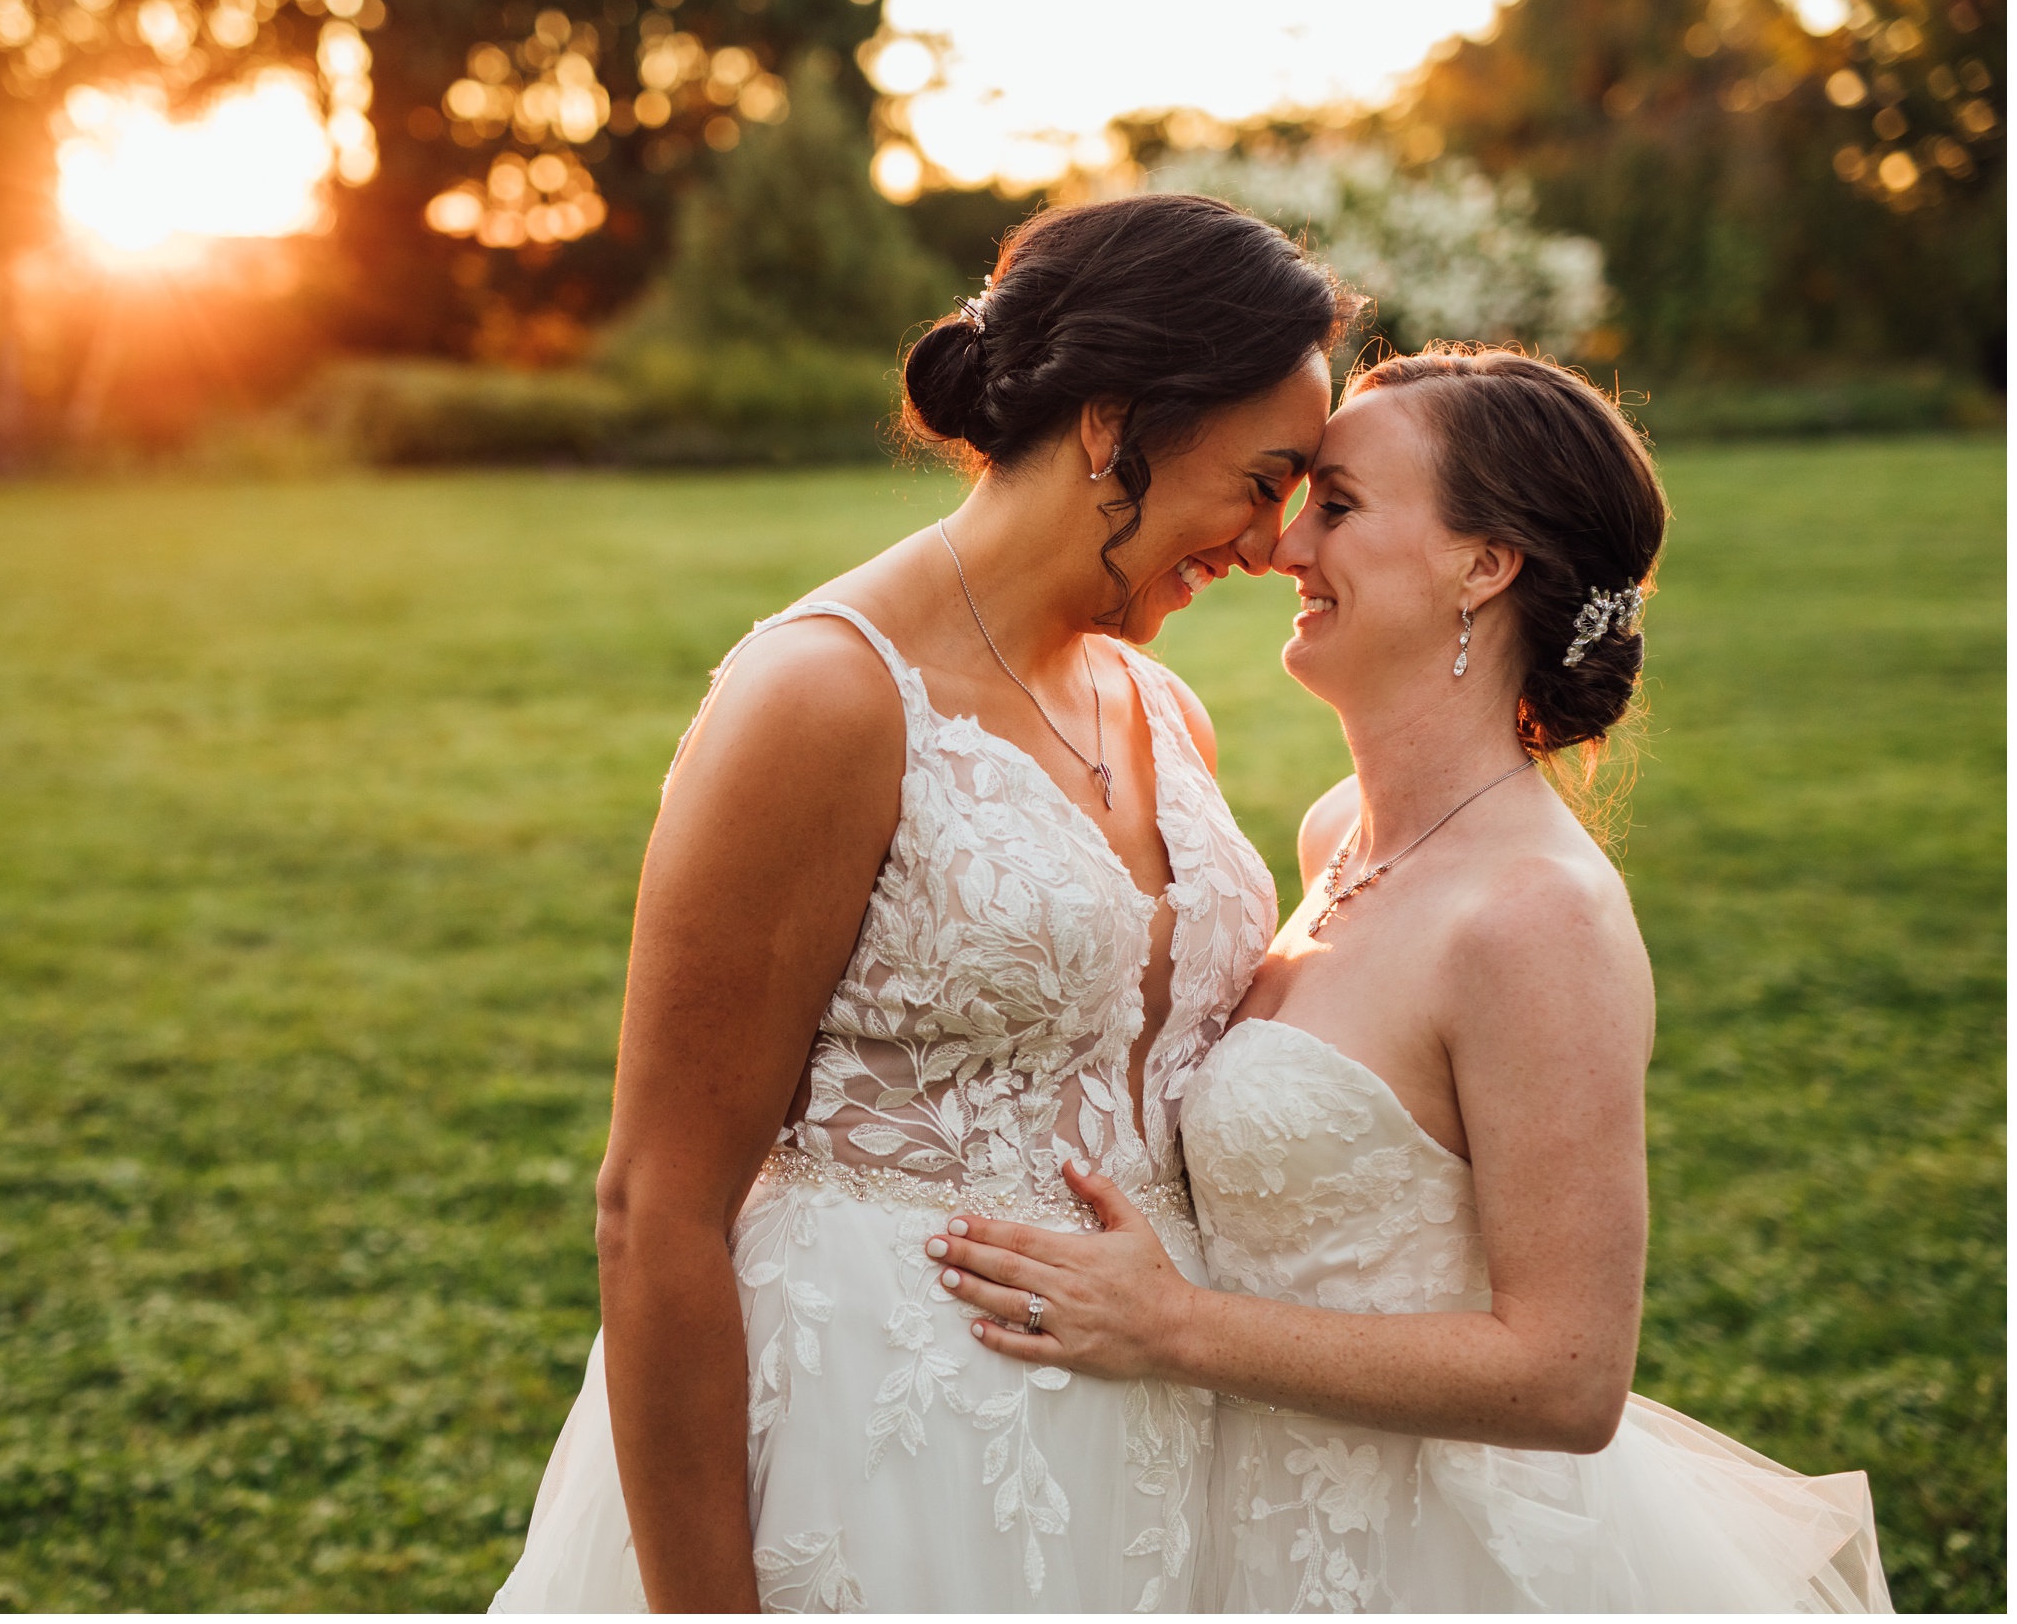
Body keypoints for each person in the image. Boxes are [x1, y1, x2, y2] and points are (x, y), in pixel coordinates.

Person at [490, 194, 1358, 1612]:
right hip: (873, 1454)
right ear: (1113, 423)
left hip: (1143, 1462)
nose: (1271, 544)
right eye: (1263, 481)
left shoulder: (1161, 707)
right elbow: (657, 1206)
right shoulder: (824, 696)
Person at [927, 346, 1892, 1611]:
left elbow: (1566, 1375)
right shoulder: (1338, 830)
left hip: (1417, 1553)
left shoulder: (1535, 917)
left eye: (1335, 505)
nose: (1281, 547)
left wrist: (1173, 1326)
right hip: (1234, 1514)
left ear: (1481, 566)